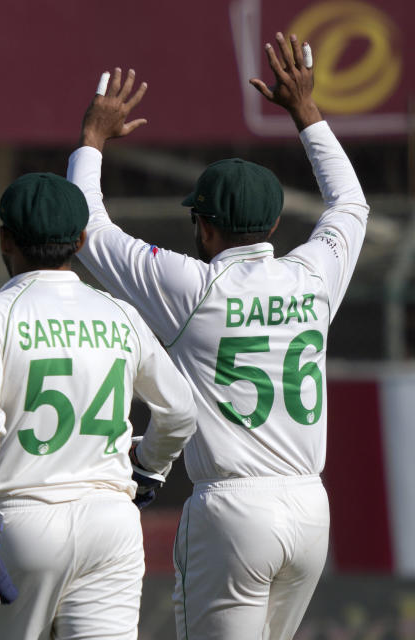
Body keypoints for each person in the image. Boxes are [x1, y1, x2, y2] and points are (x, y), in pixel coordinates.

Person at [67, 33, 368, 640]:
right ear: (276, 223)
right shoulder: (314, 277)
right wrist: (306, 111)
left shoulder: (192, 287)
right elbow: (351, 204)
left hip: (232, 509)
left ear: (202, 226)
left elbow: (87, 228)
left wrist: (92, 140)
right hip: (311, 508)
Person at [0, 172, 197, 639]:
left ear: (5, 239)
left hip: (23, 521)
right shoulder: (120, 313)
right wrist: (147, 465)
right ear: (81, 240)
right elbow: (180, 410)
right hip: (111, 522)